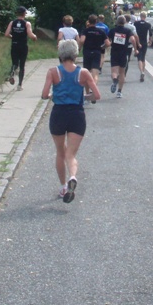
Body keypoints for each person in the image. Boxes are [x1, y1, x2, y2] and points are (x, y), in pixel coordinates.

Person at [41, 39, 101, 202]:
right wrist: (84, 96)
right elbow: (96, 95)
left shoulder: (53, 72)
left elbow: (44, 94)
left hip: (59, 114)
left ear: (60, 53)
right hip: (77, 114)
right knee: (71, 154)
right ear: (76, 54)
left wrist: (54, 95)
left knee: (60, 152)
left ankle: (63, 187)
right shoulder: (84, 73)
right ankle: (72, 177)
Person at [78, 13, 110, 101]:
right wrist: (101, 47)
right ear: (96, 22)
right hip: (97, 53)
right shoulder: (101, 32)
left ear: (89, 21)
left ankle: (87, 92)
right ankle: (93, 89)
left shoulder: (85, 31)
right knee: (95, 73)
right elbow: (107, 43)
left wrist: (79, 48)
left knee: (86, 73)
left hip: (87, 52)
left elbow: (82, 40)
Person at [4, 6, 37, 91]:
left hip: (14, 45)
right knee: (22, 65)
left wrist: (13, 37)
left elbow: (6, 34)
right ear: (24, 14)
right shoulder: (27, 23)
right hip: (23, 46)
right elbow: (30, 35)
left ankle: (12, 73)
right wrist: (34, 37)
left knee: (15, 63)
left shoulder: (12, 23)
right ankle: (19, 85)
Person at [107, 15, 138, 98]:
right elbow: (133, 39)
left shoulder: (113, 30)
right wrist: (135, 49)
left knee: (114, 71)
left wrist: (106, 45)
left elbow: (108, 40)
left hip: (114, 52)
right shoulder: (127, 31)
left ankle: (114, 80)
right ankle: (119, 92)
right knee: (122, 73)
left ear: (117, 22)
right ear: (124, 22)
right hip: (123, 53)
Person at [133, 11, 152, 81]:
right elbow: (150, 34)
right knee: (143, 57)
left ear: (140, 16)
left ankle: (141, 71)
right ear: (145, 17)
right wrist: (150, 41)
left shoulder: (136, 23)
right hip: (144, 43)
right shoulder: (148, 25)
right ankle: (143, 72)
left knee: (139, 58)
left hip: (137, 42)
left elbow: (133, 33)